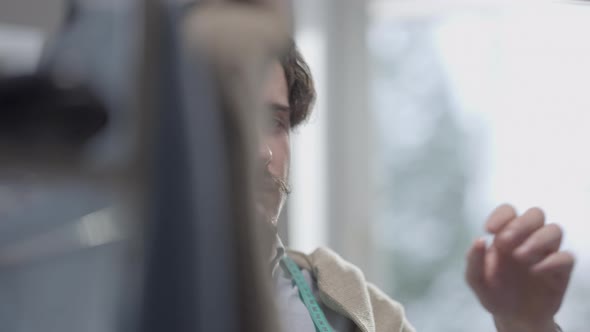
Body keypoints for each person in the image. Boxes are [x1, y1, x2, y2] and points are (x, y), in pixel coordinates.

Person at [256, 40, 574, 332]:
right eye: (233, 119)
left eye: (273, 123)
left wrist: (526, 322)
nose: (262, 152)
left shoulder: (348, 306)